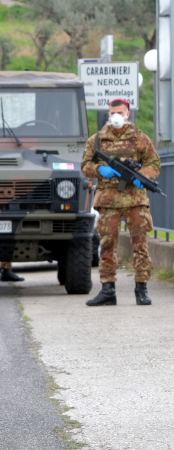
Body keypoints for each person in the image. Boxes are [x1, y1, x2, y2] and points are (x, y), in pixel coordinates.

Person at [81, 98, 160, 306]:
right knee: (107, 246)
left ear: (127, 114)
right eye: (112, 112)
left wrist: (141, 175)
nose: (115, 115)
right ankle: (108, 290)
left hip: (135, 200)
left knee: (140, 245)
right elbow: (85, 165)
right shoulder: (97, 140)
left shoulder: (140, 138)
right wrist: (99, 169)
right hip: (108, 201)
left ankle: (141, 289)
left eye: (120, 112)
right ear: (108, 114)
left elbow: (154, 163)